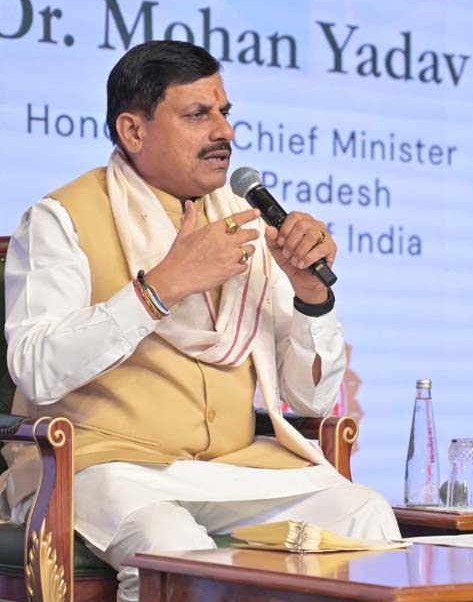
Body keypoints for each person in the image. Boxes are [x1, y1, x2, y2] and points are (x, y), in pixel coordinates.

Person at [0, 40, 400, 602]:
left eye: (224, 113)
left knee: (365, 515)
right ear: (133, 131)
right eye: (197, 115)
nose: (224, 132)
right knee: (175, 550)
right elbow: (36, 368)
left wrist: (311, 296)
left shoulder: (248, 225)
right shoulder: (60, 219)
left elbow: (310, 399)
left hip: (233, 466)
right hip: (103, 466)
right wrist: (161, 287)